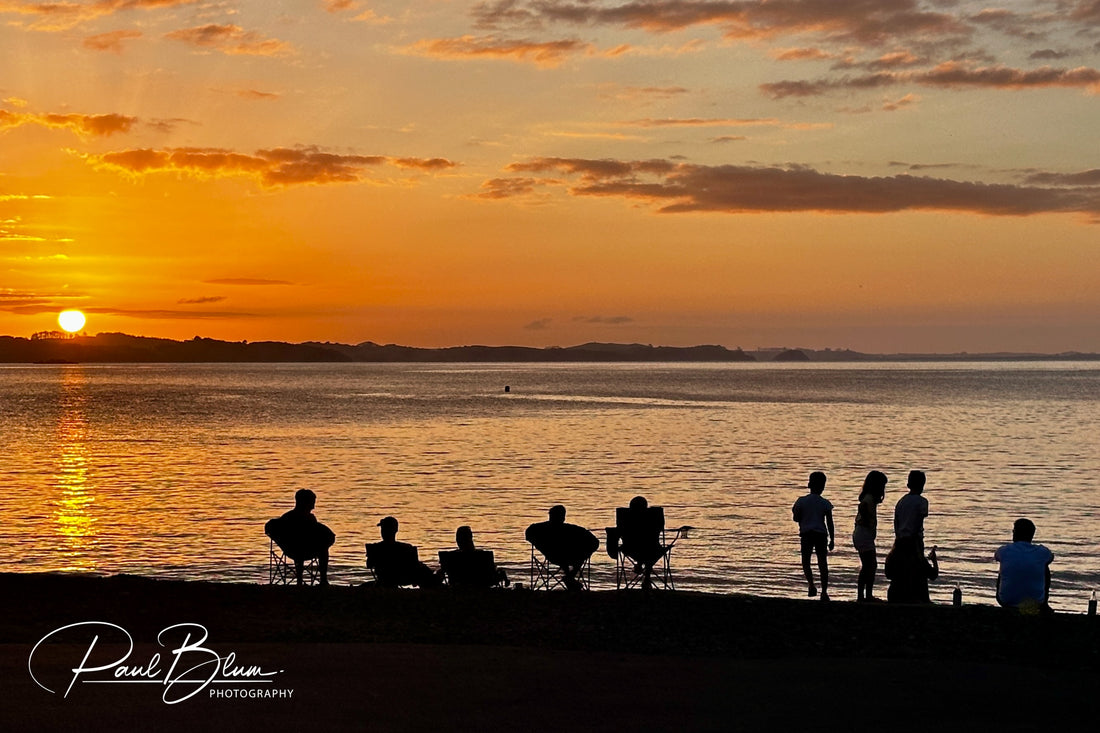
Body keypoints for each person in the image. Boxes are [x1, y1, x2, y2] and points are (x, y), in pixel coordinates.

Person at [265, 488, 336, 586]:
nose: (313, 507)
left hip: (291, 549)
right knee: (323, 549)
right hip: (299, 549)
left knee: (310, 545)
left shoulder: (287, 517)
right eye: (312, 503)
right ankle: (323, 580)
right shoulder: (307, 519)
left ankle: (299, 580)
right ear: (304, 503)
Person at [525, 505, 599, 591]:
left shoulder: (541, 527)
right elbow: (594, 542)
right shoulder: (567, 529)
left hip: (556, 556)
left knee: (569, 554)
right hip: (559, 556)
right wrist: (540, 545)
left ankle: (569, 578)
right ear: (563, 517)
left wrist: (540, 546)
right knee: (577, 556)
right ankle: (570, 577)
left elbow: (528, 534)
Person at [995, 518, 1054, 614]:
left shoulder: (1004, 550)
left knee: (1004, 566)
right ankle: (1045, 603)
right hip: (1035, 602)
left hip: (1006, 601)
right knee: (1044, 566)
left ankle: (1008, 593)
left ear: (1015, 533)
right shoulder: (1042, 552)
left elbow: (997, 557)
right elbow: (1050, 558)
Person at [792, 471, 834, 600]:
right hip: (821, 534)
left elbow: (796, 518)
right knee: (822, 563)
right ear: (823, 487)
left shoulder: (801, 501)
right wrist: (832, 539)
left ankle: (811, 585)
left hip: (806, 534)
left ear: (809, 484)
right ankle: (824, 592)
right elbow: (830, 522)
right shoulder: (825, 503)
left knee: (806, 561)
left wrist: (801, 516)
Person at [366, 516, 441, 588]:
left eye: (383, 529)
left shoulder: (375, 548)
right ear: (396, 530)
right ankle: (434, 580)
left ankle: (434, 580)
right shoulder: (406, 547)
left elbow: (369, 565)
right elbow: (415, 565)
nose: (382, 531)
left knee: (420, 569)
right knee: (421, 569)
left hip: (385, 579)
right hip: (405, 578)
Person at [852, 470, 888, 602]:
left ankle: (864, 595)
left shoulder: (869, 498)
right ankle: (865, 596)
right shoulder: (869, 498)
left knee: (868, 565)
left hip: (863, 534)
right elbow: (863, 507)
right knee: (870, 565)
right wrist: (867, 521)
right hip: (864, 534)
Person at [440, 525, 509, 588]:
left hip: (457, 587)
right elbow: (491, 573)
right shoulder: (483, 556)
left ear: (457, 540)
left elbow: (443, 573)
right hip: (481, 586)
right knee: (500, 571)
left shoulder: (449, 557)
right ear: (471, 538)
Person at [884, 537, 939, 603]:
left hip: (895, 597)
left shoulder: (892, 558)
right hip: (916, 599)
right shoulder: (919, 561)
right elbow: (933, 575)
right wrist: (934, 561)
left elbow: (888, 575)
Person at [894, 470, 929, 548]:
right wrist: (915, 538)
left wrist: (897, 536)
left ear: (908, 485)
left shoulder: (901, 501)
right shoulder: (922, 501)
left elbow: (896, 521)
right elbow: (919, 521)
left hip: (901, 538)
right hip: (915, 539)